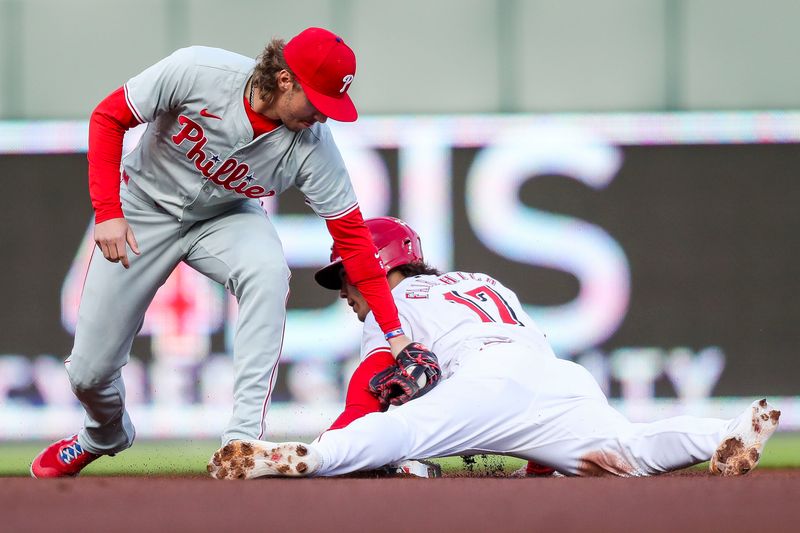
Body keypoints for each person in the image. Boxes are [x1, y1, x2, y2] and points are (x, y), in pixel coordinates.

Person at [30, 29, 441, 479]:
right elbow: (108, 117)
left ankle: (240, 441)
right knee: (88, 373)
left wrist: (395, 333)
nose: (323, 118)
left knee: (268, 271)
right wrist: (108, 210)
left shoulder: (312, 147)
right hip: (142, 208)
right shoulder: (198, 71)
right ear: (285, 79)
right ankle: (102, 434)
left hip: (226, 217)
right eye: (318, 102)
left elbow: (354, 241)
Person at [206, 216, 781, 479]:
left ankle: (299, 458)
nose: (346, 293)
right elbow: (529, 361)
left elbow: (368, 387)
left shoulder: (393, 302)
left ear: (376, 269)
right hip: (558, 377)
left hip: (487, 382)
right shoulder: (481, 282)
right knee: (625, 453)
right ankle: (723, 433)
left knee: (399, 434)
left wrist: (343, 440)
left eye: (348, 278)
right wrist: (540, 452)